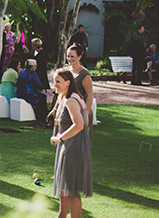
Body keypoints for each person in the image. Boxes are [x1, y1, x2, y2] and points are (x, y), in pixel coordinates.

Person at [50, 68, 93, 218]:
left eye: (58, 82)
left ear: (68, 82)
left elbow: (80, 124)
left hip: (72, 150)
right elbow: (85, 121)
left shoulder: (71, 100)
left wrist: (60, 137)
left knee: (73, 193)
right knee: (66, 192)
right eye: (54, 81)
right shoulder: (70, 97)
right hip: (70, 148)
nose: (54, 85)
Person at [63, 44, 93, 143]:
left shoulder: (84, 74)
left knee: (79, 143)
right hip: (68, 110)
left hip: (81, 110)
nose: (69, 59)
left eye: (72, 56)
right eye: (68, 56)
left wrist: (86, 114)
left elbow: (89, 95)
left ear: (79, 57)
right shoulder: (66, 71)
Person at [17, 59, 48, 123]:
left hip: (20, 92)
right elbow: (38, 84)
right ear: (32, 66)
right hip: (29, 93)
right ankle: (42, 116)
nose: (36, 68)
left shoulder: (22, 71)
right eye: (35, 66)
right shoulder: (32, 73)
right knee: (42, 97)